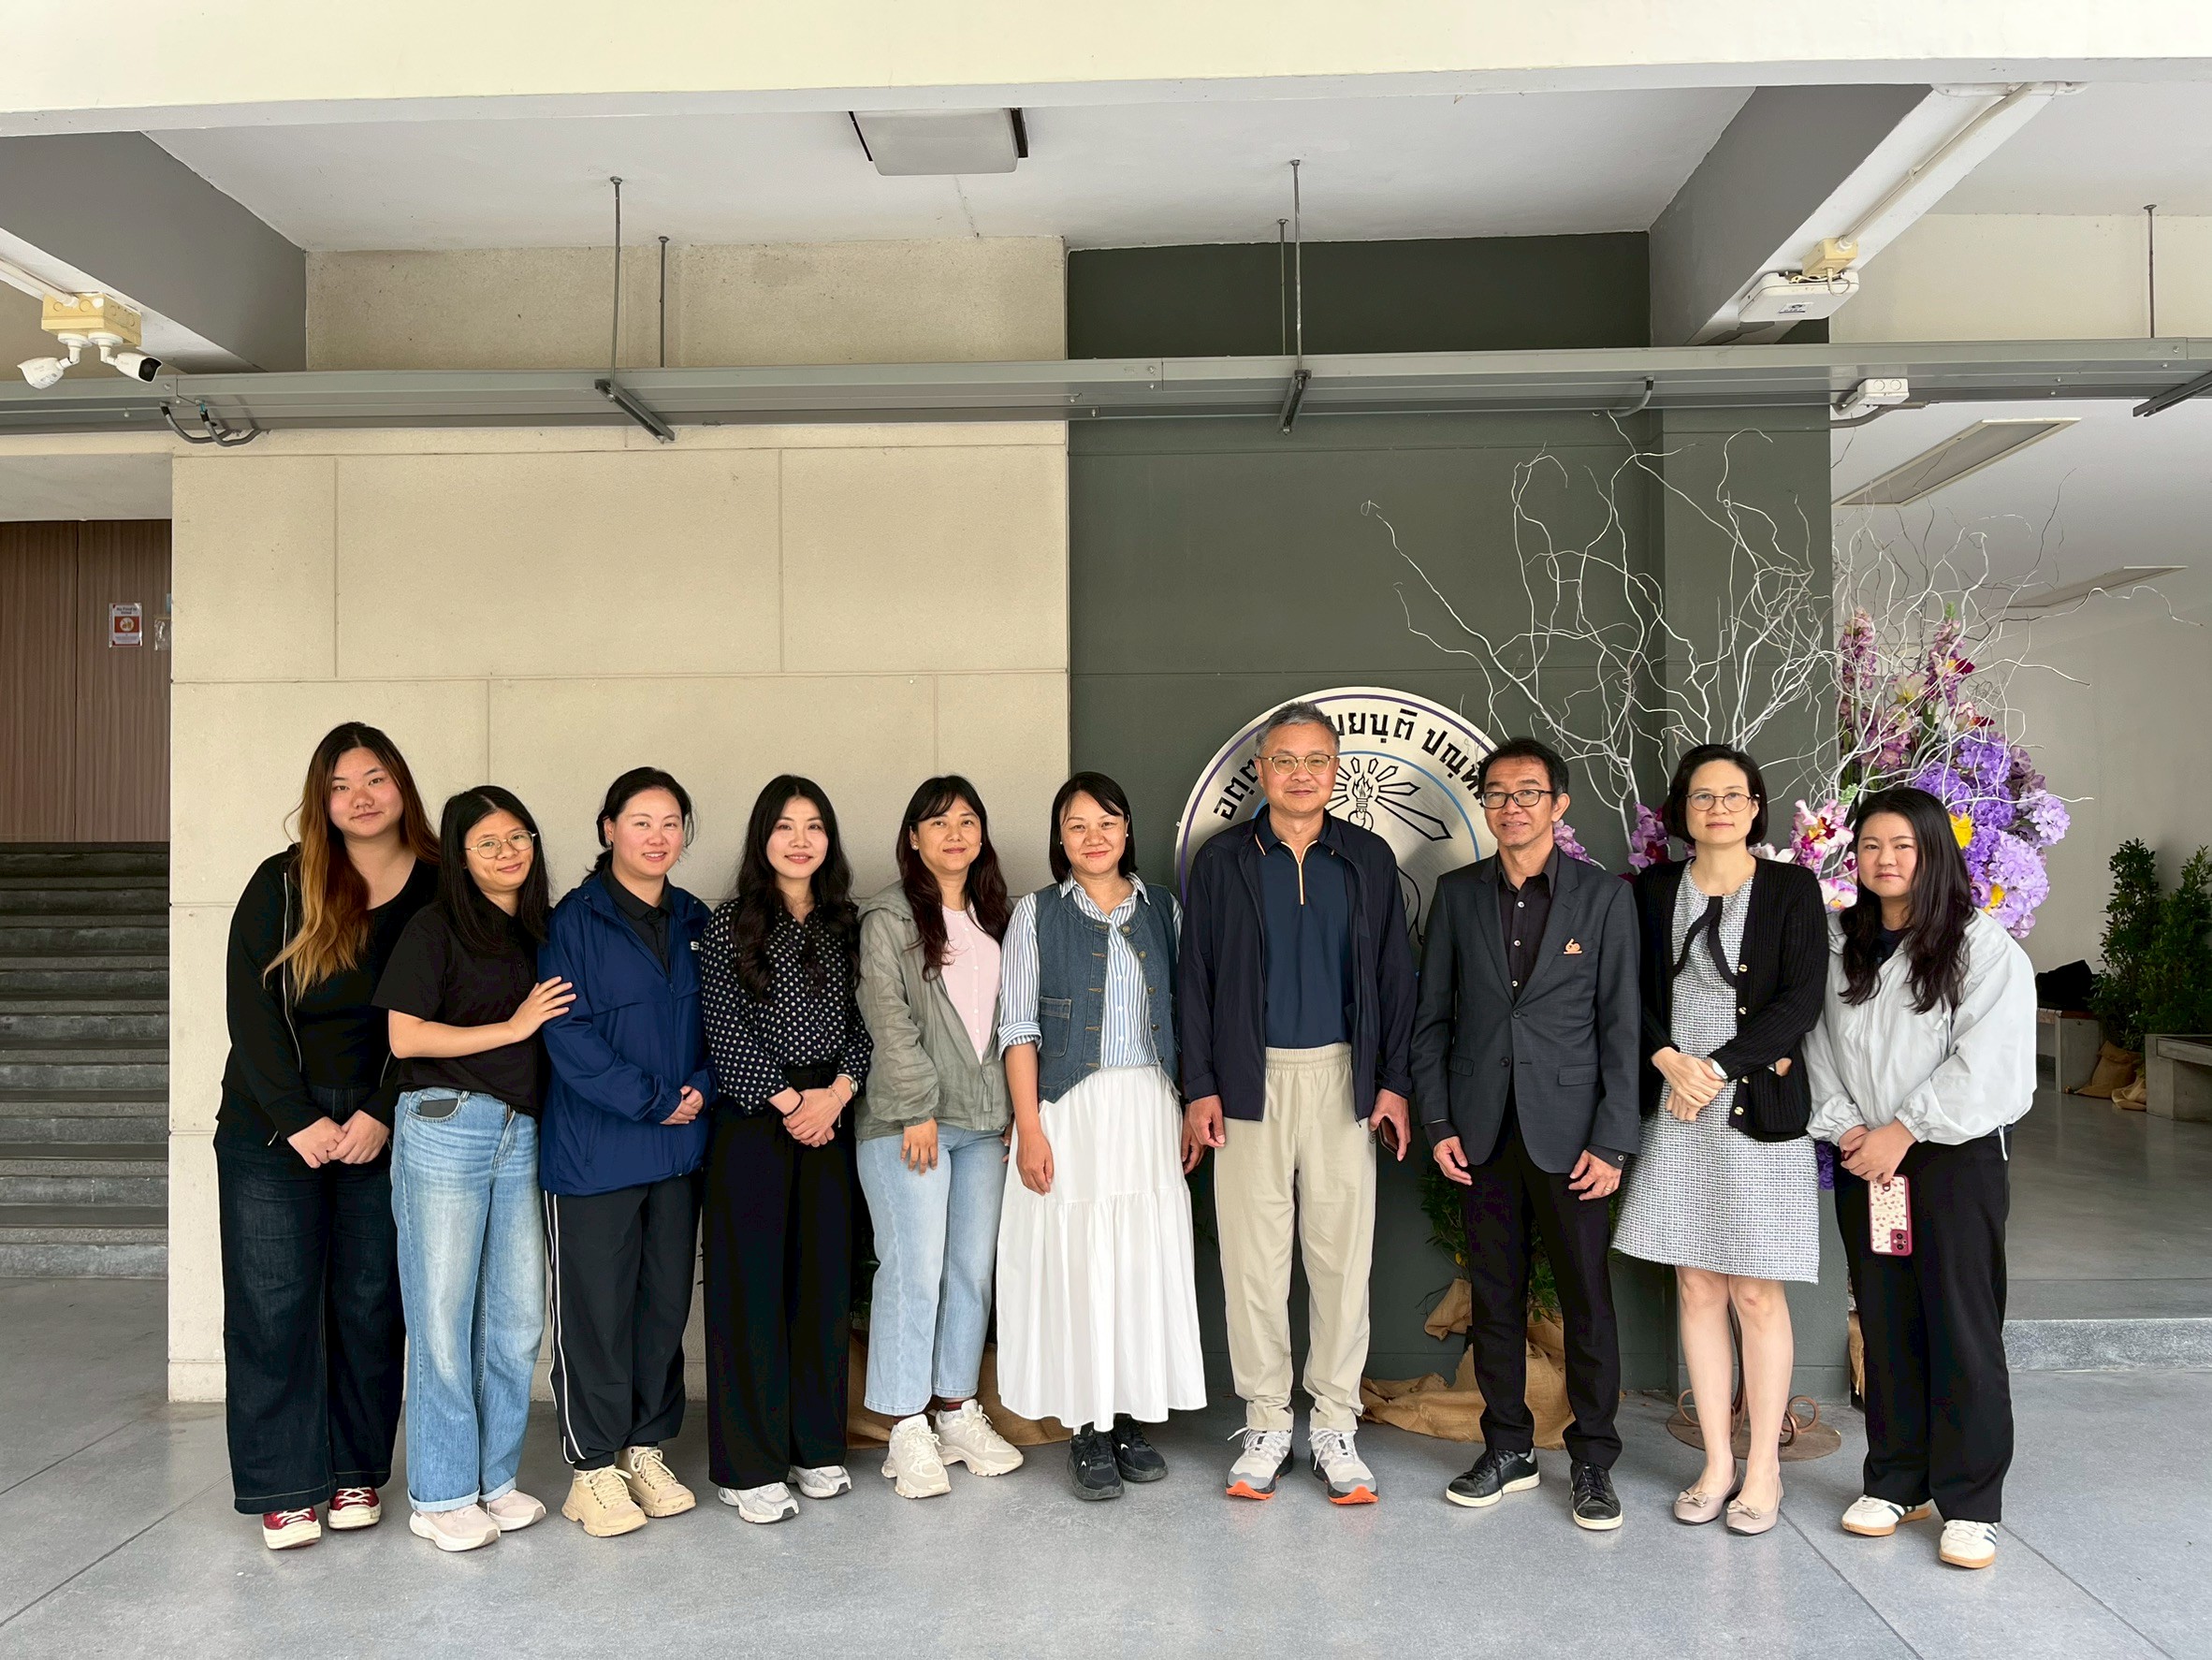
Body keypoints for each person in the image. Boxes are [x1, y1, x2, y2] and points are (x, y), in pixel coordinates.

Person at [1181, 700, 1415, 1506]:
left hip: (1344, 1079)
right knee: (1253, 1263)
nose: (1301, 774)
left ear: (1336, 769)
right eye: (1285, 760)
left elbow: (1396, 978)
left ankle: (1336, 1426)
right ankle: (1267, 1422)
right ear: (1262, 770)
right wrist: (1201, 1086)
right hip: (1248, 1082)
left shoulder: (1368, 858)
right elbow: (1195, 980)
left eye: (1317, 760)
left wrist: (1393, 1083)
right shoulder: (1222, 861)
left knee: (1341, 1260)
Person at [215, 721, 437, 1551]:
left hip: (386, 1120)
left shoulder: (441, 888)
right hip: (273, 1126)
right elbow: (250, 1011)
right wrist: (298, 1118)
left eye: (374, 779)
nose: (360, 797)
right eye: (341, 786)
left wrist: (382, 1109)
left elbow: (452, 1009)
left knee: (370, 1304)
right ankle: (284, 1485)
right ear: (322, 800)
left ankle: (353, 1471)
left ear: (401, 785)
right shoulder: (282, 883)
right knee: (272, 1306)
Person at [1803, 785, 2035, 1572]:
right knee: (1885, 1317)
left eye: (1903, 845)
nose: (1885, 859)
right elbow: (1817, 1047)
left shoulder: (1981, 946)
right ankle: (1898, 1480)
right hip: (1867, 1157)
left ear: (1934, 853)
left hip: (1950, 1158)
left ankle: (1971, 1502)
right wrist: (1849, 1129)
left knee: (1962, 1325)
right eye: (1870, 845)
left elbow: (1992, 1065)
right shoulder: (1844, 943)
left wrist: (1905, 1130)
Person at [1413, 736, 1638, 1531]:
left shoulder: (1603, 899)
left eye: (1529, 793)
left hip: (1573, 1137)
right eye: (1499, 794)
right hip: (1481, 1132)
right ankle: (1507, 1448)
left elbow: (1621, 1027)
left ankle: (1593, 1459)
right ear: (1486, 805)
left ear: (1558, 804)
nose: (1512, 806)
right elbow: (1432, 1019)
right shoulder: (1457, 895)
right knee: (1495, 1298)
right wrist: (1438, 1120)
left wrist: (1613, 1142)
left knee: (1587, 1301)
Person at [1613, 745, 1827, 1536]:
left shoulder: (1792, 889)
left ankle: (1763, 1468)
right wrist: (1669, 1059)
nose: (1719, 809)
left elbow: (1801, 999)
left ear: (1757, 806)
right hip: (1676, 1106)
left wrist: (1714, 1068)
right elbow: (1625, 989)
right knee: (1697, 1286)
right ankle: (1716, 1462)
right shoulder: (1651, 890)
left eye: (1734, 796)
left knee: (1756, 1292)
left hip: (1754, 1104)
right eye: (1702, 797)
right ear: (1681, 811)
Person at [998, 773, 1206, 1501]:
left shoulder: (1164, 910)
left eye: (1107, 822)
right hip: (1069, 1108)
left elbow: (1188, 1016)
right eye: (1077, 825)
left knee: (1137, 1263)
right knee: (1079, 1263)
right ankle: (1087, 1424)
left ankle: (1127, 1418)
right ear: (1060, 839)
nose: (1094, 837)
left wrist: (1188, 1106)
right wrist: (1030, 1126)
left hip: (1147, 1105)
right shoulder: (1035, 914)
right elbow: (1017, 1026)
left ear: (1127, 832)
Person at [376, 785, 569, 1552]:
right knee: (443, 1318)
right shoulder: (435, 927)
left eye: (518, 836)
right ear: (459, 857)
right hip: (446, 1124)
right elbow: (404, 1036)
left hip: (520, 1131)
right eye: (487, 842)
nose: (507, 852)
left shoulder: (539, 930)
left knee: (516, 1320)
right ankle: (441, 1494)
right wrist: (513, 1027)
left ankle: (493, 1480)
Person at [537, 767, 714, 1538]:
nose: (657, 836)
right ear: (608, 829)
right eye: (641, 821)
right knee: (596, 1315)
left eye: (671, 822)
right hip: (596, 1155)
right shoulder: (571, 923)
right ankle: (592, 1469)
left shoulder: (696, 918)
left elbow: (726, 1020)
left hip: (678, 1152)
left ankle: (645, 1449)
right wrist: (654, 1099)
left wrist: (700, 1087)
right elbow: (566, 1036)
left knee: (662, 1308)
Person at [698, 778, 872, 1525]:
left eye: (814, 827)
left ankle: (814, 1447)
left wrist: (837, 1093)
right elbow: (724, 1031)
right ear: (761, 838)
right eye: (784, 827)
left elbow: (867, 1025)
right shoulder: (729, 922)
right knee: (751, 1291)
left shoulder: (847, 925)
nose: (800, 841)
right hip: (754, 1120)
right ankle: (749, 1466)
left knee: (821, 1284)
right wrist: (793, 1104)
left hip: (832, 1114)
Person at [854, 776, 1027, 1497]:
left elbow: (1016, 1019)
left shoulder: (1000, 916)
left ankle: (956, 1410)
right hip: (911, 1124)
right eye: (937, 822)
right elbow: (886, 1015)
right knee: (913, 1269)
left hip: (985, 1127)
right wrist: (917, 1106)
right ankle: (904, 1427)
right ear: (914, 838)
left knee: (969, 1272)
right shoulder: (889, 917)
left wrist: (1017, 1108)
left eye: (966, 821)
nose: (954, 834)